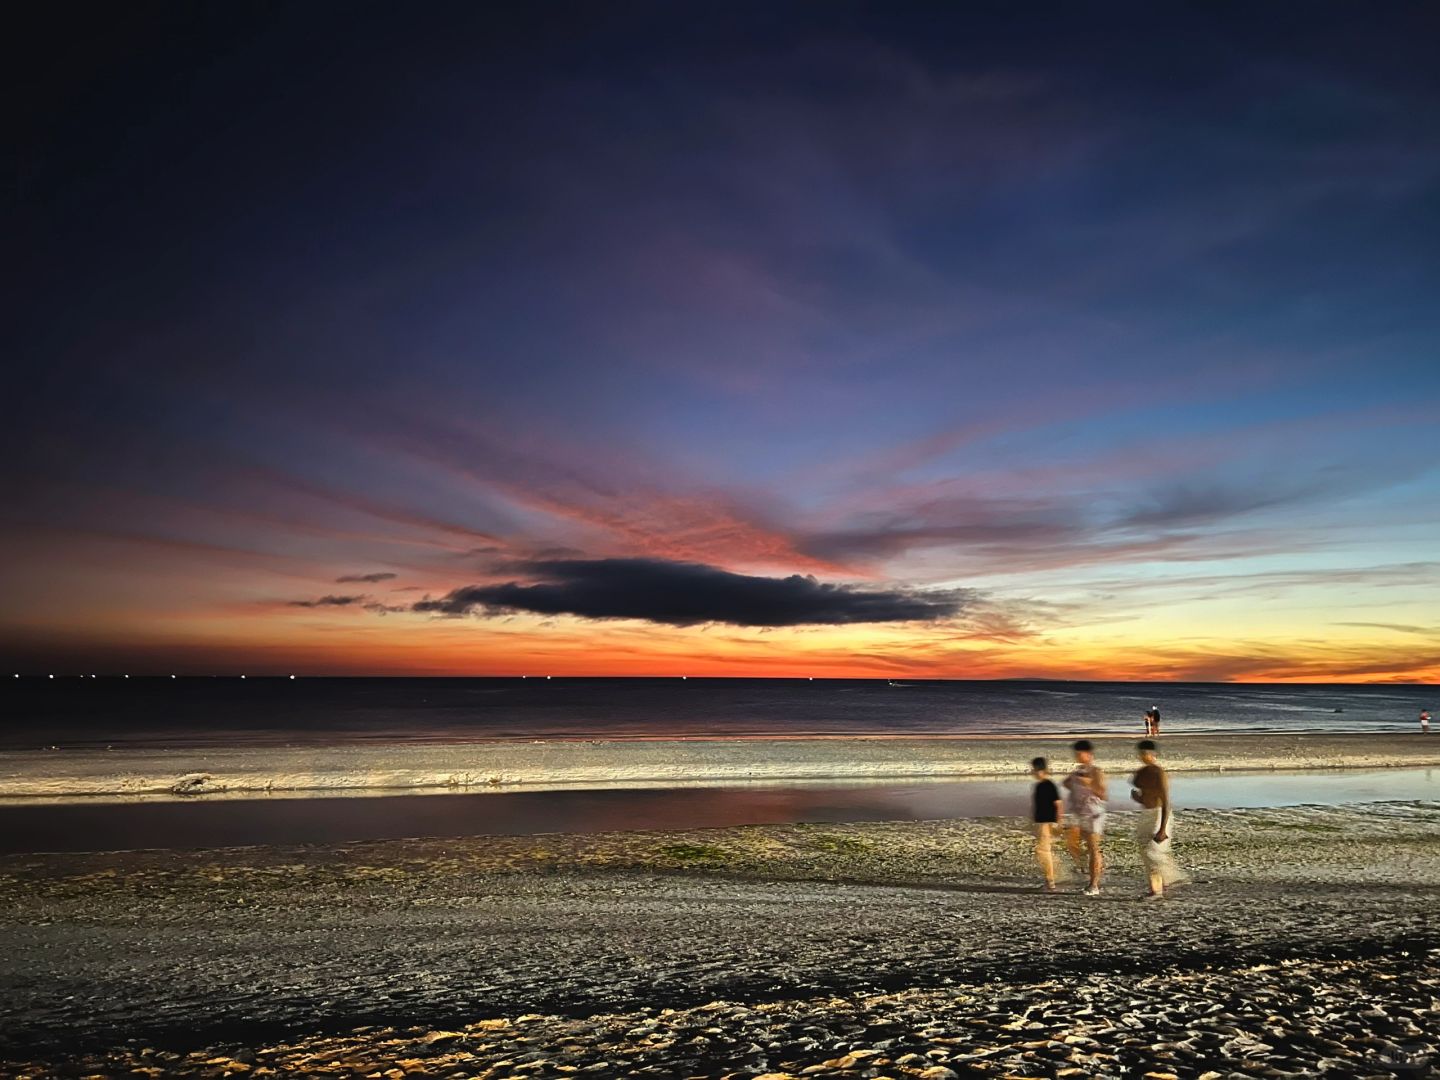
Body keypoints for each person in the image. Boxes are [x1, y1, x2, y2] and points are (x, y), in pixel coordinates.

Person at [1131, 740, 1190, 900]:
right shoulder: (1141, 773)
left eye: (1147, 754)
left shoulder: (1159, 773)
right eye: (1142, 754)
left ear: (1153, 755)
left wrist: (1163, 828)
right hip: (1147, 813)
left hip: (1159, 814)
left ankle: (1173, 877)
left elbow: (1165, 801)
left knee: (1154, 852)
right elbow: (1145, 798)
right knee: (1145, 851)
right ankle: (1156, 889)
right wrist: (1137, 798)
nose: (1144, 757)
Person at [1063, 739, 1108, 895]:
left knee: (1093, 848)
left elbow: (1103, 793)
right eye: (1075, 754)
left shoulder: (1096, 771)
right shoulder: (1078, 771)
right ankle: (1091, 870)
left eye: (1079, 754)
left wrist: (1088, 783)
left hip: (1094, 814)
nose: (1077, 756)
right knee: (1075, 843)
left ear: (1088, 754)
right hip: (1080, 813)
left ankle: (1094, 885)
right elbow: (1067, 783)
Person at [1029, 757, 1064, 892]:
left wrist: (1058, 821)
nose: (1033, 772)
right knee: (1044, 850)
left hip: (1046, 822)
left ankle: (1050, 881)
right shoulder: (1039, 785)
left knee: (1043, 850)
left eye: (1034, 769)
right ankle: (1053, 876)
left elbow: (1058, 804)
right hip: (1041, 822)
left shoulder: (1049, 785)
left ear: (1040, 770)